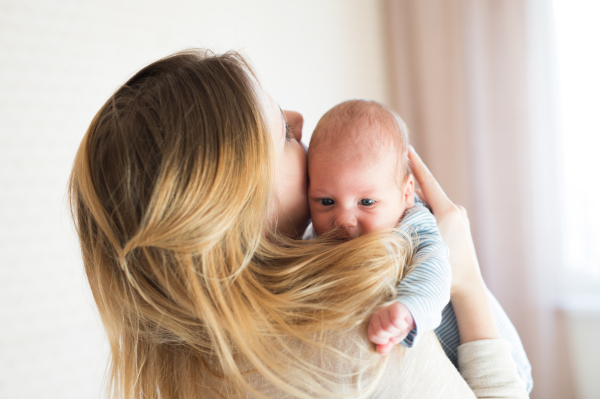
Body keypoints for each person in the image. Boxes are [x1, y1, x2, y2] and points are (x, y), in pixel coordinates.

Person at [69, 49, 528, 398]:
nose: (299, 120)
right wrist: (465, 283)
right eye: (284, 134)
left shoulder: (187, 369)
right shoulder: (358, 333)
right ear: (241, 207)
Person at [306, 99, 533, 392]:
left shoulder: (413, 224)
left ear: (406, 194)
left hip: (503, 363)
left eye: (367, 202)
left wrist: (409, 309)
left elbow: (436, 270)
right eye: (326, 202)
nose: (344, 219)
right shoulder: (320, 237)